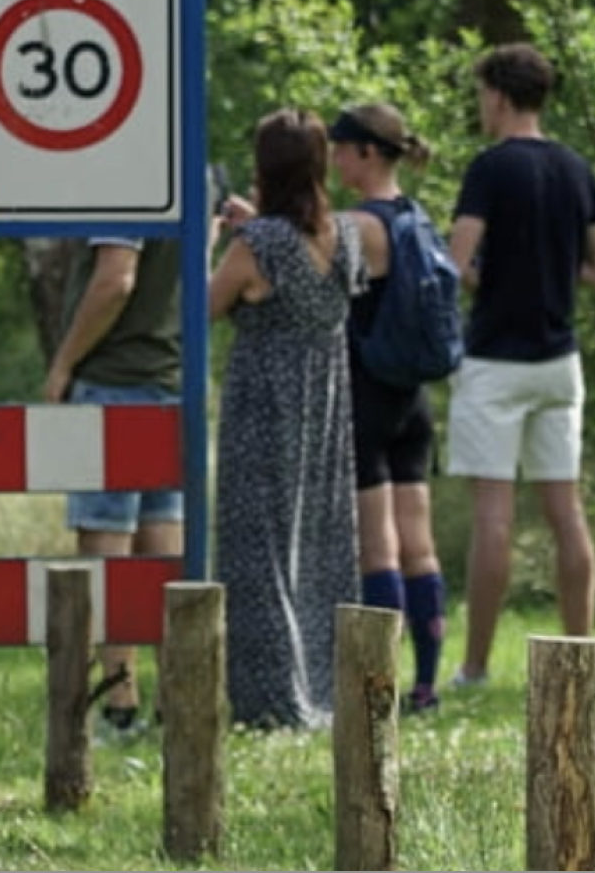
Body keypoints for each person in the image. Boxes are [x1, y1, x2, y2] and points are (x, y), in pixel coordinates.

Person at [442, 43, 595, 688]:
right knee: (565, 510)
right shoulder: (577, 169)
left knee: (495, 513)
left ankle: (476, 667)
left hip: (494, 360)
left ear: (500, 95)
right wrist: (549, 269)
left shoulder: (490, 169)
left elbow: (455, 263)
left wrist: (493, 276)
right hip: (558, 360)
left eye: (482, 94)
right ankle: (580, 659)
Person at [205, 109, 376, 729]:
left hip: (263, 416)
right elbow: (309, 257)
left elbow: (207, 306)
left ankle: (272, 699)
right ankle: (326, 690)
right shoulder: (349, 235)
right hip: (327, 417)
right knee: (322, 549)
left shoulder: (258, 246)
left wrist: (210, 237)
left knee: (259, 554)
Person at [39, 231, 189, 742]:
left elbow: (115, 280)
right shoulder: (194, 180)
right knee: (162, 548)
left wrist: (63, 364)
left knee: (106, 547)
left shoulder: (126, 186)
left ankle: (119, 704)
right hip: (171, 380)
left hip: (114, 381)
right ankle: (177, 698)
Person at [330, 103, 453, 712]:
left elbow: (306, 263)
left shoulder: (355, 225)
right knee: (420, 546)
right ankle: (427, 685)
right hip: (415, 399)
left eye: (341, 147)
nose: (333, 158)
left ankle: (380, 684)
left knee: (378, 550)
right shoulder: (417, 217)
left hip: (367, 395)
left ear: (367, 153)